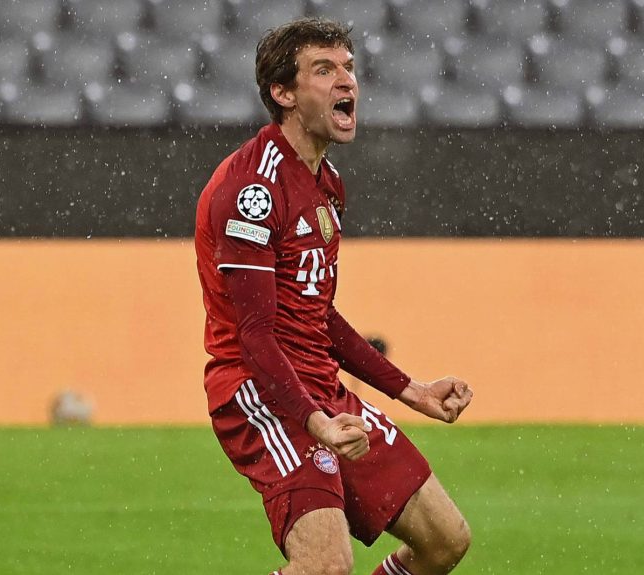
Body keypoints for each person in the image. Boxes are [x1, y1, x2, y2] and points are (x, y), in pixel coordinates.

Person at [194, 17, 474, 575]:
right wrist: (314, 421)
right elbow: (255, 336)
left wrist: (412, 391)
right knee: (325, 567)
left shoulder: (327, 184)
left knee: (445, 541)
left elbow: (318, 314)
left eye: (348, 68)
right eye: (323, 70)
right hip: (261, 392)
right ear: (283, 93)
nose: (346, 81)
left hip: (318, 385)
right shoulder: (253, 191)